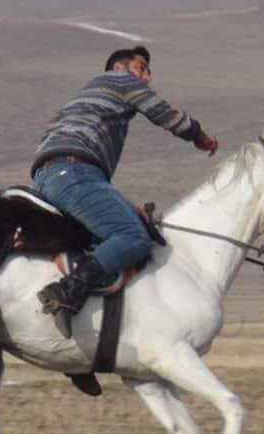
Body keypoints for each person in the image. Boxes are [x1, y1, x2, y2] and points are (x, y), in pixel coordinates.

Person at [30, 45, 218, 337]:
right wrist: (200, 137)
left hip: (50, 176)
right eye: (142, 69)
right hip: (74, 171)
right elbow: (163, 112)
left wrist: (124, 204)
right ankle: (66, 292)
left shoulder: (79, 102)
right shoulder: (119, 81)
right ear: (119, 68)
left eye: (148, 73)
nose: (146, 78)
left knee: (105, 236)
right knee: (133, 238)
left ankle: (86, 343)